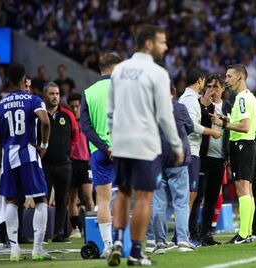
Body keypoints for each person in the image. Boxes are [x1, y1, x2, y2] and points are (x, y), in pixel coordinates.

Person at [107, 24, 184, 266]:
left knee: (123, 191)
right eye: (162, 41)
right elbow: (164, 115)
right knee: (143, 197)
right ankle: (137, 252)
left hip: (121, 141)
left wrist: (114, 137)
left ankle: (117, 240)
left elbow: (110, 111)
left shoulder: (119, 70)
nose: (166, 46)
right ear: (149, 44)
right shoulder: (157, 73)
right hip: (144, 143)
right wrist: (176, 145)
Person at [0, 63, 52, 261]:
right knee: (40, 200)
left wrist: (2, 159)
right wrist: (43, 144)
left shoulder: (0, 105)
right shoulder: (33, 99)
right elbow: (45, 121)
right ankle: (37, 249)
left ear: (8, 79)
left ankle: (14, 250)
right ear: (24, 78)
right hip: (28, 154)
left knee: (11, 200)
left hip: (9, 156)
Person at [81, 53, 122, 257]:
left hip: (100, 152)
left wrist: (106, 148)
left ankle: (108, 245)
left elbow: (86, 128)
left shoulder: (88, 93)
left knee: (103, 201)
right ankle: (129, 243)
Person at [212, 64, 256, 244]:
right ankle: (248, 232)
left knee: (242, 188)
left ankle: (244, 234)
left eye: (229, 76)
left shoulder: (241, 99)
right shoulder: (248, 97)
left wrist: (223, 124)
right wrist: (229, 120)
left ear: (240, 77)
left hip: (242, 144)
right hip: (247, 144)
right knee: (248, 188)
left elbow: (244, 126)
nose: (226, 79)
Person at [147, 82, 195, 253]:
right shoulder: (179, 108)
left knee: (158, 203)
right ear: (174, 92)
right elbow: (190, 128)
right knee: (181, 202)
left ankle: (160, 243)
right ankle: (182, 241)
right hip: (177, 161)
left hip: (157, 161)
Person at [179, 68, 221, 243]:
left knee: (192, 194)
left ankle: (183, 234)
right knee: (190, 194)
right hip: (191, 151)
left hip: (193, 151)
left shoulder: (191, 99)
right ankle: (183, 234)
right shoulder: (189, 100)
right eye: (204, 82)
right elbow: (191, 125)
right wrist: (211, 131)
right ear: (199, 80)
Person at [197, 74, 232, 245]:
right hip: (203, 157)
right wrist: (204, 106)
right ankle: (192, 231)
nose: (212, 90)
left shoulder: (228, 107)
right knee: (198, 195)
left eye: (215, 87)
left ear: (223, 89)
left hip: (220, 159)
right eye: (209, 86)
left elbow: (232, 131)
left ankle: (205, 233)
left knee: (212, 197)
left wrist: (229, 156)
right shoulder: (202, 106)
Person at [41, 82, 78, 242]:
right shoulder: (39, 114)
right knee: (42, 201)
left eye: (57, 94)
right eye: (51, 94)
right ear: (45, 96)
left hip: (64, 164)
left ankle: (58, 234)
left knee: (63, 200)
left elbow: (74, 137)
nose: (55, 97)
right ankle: (41, 235)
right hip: (45, 165)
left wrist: (63, 151)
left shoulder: (68, 115)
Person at [67, 92, 94, 239]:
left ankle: (91, 227)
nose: (75, 110)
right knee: (72, 198)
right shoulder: (66, 121)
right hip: (71, 163)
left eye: (77, 106)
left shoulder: (87, 121)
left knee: (88, 196)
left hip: (86, 162)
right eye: (72, 107)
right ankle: (75, 229)